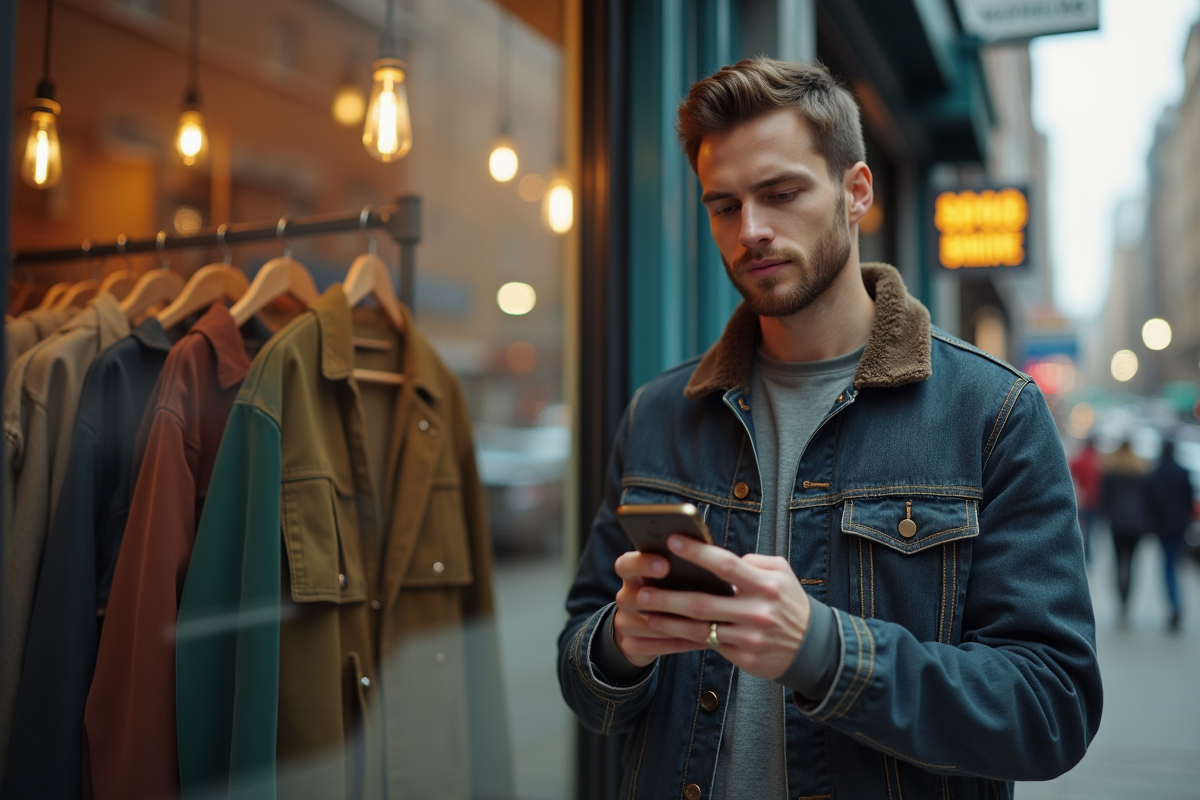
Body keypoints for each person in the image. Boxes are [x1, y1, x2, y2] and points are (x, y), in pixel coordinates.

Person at [558, 58, 1101, 799]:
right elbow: (581, 671)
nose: (751, 231)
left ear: (857, 193)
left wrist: (825, 652)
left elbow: (1051, 709)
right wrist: (619, 646)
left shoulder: (992, 411)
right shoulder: (660, 410)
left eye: (781, 194)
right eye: (724, 206)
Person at [1101, 440, 1152, 620]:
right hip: (1137, 523)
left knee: (1118, 561)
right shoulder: (1141, 471)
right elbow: (1149, 500)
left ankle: (1121, 596)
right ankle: (1128, 596)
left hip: (1118, 523)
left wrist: (1105, 518)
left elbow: (1104, 499)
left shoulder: (1112, 471)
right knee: (1132, 562)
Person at [1148, 440, 1193, 632]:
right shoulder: (1183, 472)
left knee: (1167, 568)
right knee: (1175, 566)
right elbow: (1189, 500)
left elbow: (1152, 500)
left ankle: (1173, 605)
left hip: (1163, 528)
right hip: (1179, 527)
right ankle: (1176, 604)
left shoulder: (1156, 472)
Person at [1070, 437, 1104, 562]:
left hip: (1083, 500)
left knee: (1083, 528)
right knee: (1090, 529)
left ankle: (1085, 554)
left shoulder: (1081, 458)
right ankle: (1088, 555)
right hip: (1095, 501)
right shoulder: (1098, 460)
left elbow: (1070, 468)